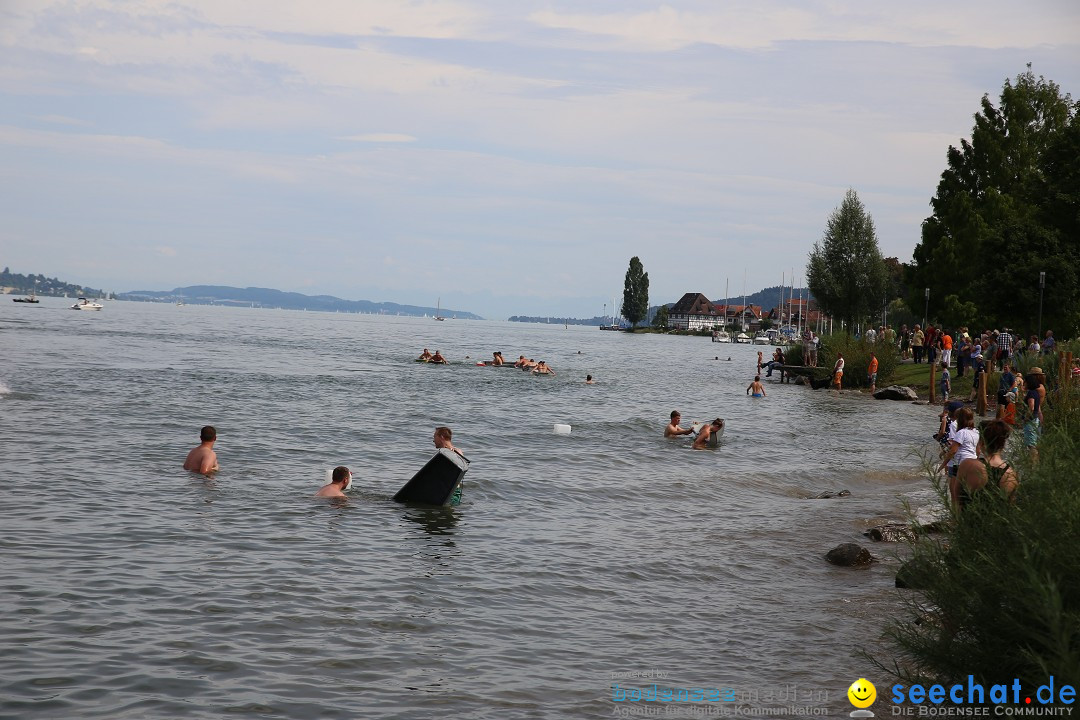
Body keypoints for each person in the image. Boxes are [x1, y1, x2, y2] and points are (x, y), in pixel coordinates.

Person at [954, 420, 1018, 508]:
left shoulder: (967, 465)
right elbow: (1010, 508)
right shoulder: (1011, 474)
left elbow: (956, 501)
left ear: (981, 442)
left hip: (968, 521)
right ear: (1003, 444)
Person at [938, 406, 978, 479]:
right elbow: (978, 450)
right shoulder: (976, 432)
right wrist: (944, 451)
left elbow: (953, 451)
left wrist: (942, 465)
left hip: (959, 463)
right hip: (972, 461)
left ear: (960, 420)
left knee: (954, 488)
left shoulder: (961, 433)